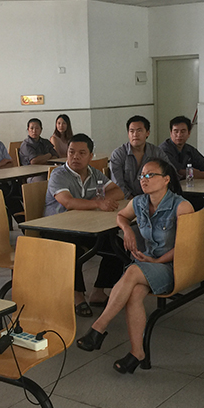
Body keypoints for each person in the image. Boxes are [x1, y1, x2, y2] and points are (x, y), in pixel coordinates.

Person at [75, 158, 193, 373]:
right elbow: (121, 215)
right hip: (146, 264)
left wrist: (157, 261)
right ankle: (137, 353)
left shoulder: (181, 206)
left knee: (132, 271)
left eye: (150, 175)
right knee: (135, 293)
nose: (144, 180)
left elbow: (186, 247)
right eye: (142, 176)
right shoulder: (138, 202)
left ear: (166, 179)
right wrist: (127, 229)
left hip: (173, 266)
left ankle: (98, 328)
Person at [44, 133, 125, 316]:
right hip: (56, 228)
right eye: (71, 152)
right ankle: (77, 296)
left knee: (118, 247)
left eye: (81, 153)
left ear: (90, 156)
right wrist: (98, 203)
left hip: (84, 227)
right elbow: (69, 202)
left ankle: (98, 292)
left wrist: (102, 199)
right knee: (73, 250)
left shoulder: (94, 173)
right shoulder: (59, 174)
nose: (75, 157)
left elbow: (117, 191)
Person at [110, 115, 171, 199]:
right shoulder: (119, 154)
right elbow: (117, 185)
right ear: (128, 134)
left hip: (153, 198)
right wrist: (133, 200)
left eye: (139, 131)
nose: (135, 134)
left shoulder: (156, 152)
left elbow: (169, 173)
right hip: (127, 200)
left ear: (147, 133)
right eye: (131, 131)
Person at [159, 115, 204, 180]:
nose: (179, 135)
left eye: (183, 131)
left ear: (189, 133)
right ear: (171, 133)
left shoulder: (189, 149)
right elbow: (180, 172)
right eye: (176, 131)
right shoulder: (164, 150)